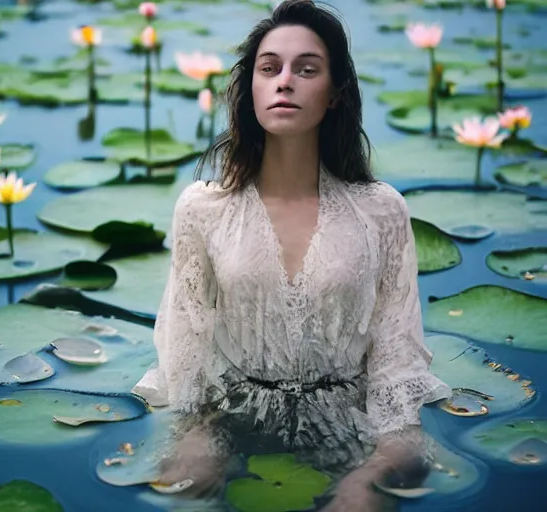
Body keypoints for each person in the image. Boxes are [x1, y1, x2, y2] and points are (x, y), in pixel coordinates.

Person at [131, 0, 454, 510]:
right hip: (231, 411)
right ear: (252, 91)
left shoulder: (381, 210)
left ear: (334, 94)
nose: (285, 81)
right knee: (183, 487)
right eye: (269, 68)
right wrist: (194, 432)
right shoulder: (203, 208)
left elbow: (396, 355)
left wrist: (384, 458)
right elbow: (185, 344)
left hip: (350, 412)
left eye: (307, 69)